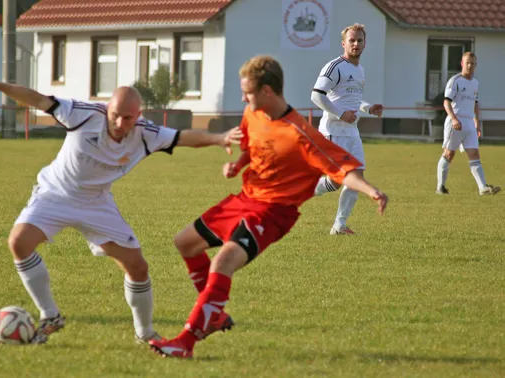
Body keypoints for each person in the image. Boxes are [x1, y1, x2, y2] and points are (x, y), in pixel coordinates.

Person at [0, 74, 243, 344]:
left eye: (128, 117)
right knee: (18, 242)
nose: (120, 122)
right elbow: (35, 99)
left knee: (137, 266)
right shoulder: (82, 113)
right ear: (107, 109)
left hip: (96, 203)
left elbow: (182, 137)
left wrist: (218, 139)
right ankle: (51, 314)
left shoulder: (146, 133)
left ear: (138, 115)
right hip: (55, 193)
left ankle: (144, 333)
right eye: (115, 114)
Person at [148, 55, 388, 359]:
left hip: (273, 211)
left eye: (248, 92)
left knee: (223, 262)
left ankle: (186, 342)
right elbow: (253, 146)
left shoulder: (301, 134)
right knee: (185, 243)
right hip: (245, 199)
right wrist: (237, 164)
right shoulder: (253, 112)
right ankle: (215, 314)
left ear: (267, 92)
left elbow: (342, 168)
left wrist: (370, 190)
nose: (243, 98)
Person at [310, 23, 384, 235]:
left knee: (357, 177)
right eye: (351, 40)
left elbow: (353, 100)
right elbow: (316, 95)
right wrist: (340, 114)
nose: (356, 44)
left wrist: (368, 108)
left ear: (364, 43)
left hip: (352, 132)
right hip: (333, 131)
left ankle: (339, 225)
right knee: (335, 180)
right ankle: (300, 193)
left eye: (359, 40)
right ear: (344, 43)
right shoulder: (335, 66)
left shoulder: (359, 69)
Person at [435, 52, 500, 195]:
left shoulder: (475, 83)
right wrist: (453, 119)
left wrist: (476, 122)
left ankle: (482, 188)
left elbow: (475, 103)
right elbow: (446, 102)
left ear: (476, 65)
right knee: (448, 154)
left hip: (469, 123)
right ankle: (440, 187)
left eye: (473, 63)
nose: (470, 65)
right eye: (468, 62)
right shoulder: (455, 81)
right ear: (462, 64)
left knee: (474, 154)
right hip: (456, 122)